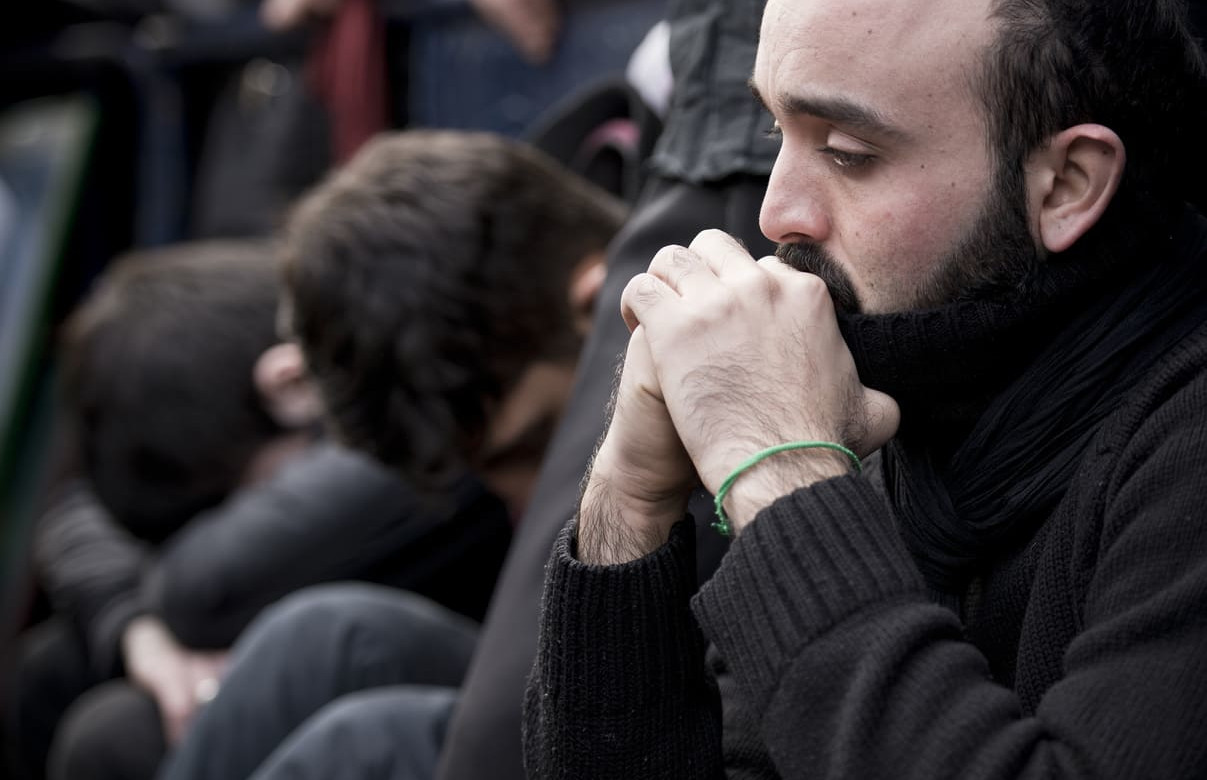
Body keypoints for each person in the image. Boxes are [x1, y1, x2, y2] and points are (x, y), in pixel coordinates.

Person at [525, 0, 1207, 777]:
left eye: (847, 153)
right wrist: (627, 505)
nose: (775, 212)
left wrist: (780, 471)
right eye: (773, 132)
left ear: (1065, 185)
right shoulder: (889, 382)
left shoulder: (1181, 442)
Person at [157, 128, 627, 780]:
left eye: (530, 447)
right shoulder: (475, 346)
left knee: (360, 747)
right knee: (317, 639)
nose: (523, 498)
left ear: (592, 302)